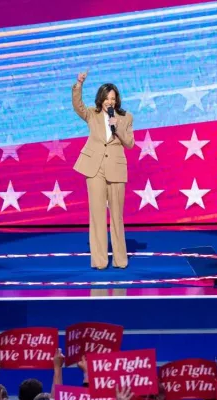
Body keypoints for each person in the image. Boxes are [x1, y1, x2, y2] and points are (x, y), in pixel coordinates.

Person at [71, 70, 135, 270]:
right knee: (97, 215)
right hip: (95, 168)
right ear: (101, 99)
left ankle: (120, 260)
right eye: (107, 98)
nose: (110, 102)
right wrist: (79, 84)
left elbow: (130, 144)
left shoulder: (126, 117)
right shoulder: (92, 114)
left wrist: (119, 127)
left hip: (116, 168)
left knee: (116, 216)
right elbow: (77, 106)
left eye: (113, 99)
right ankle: (99, 260)